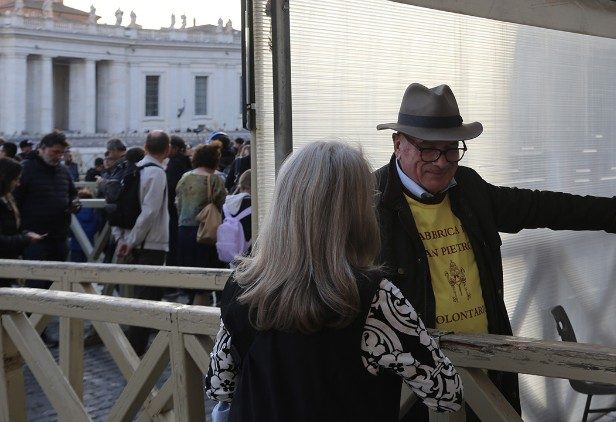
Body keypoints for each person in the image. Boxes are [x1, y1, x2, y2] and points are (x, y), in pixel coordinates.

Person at [373, 83, 616, 416]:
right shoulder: (368, 205)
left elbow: (542, 207)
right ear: (398, 144)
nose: (441, 162)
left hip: (487, 367)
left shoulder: (469, 189)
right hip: (415, 387)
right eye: (429, 149)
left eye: (451, 149)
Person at [205, 141, 463, 421]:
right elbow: (445, 392)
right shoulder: (373, 296)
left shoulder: (243, 285)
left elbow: (219, 386)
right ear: (354, 213)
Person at [113, 131, 171, 356]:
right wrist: (131, 241)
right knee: (147, 298)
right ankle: (135, 351)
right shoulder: (156, 174)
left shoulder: (133, 170)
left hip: (136, 241)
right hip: (151, 243)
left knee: (144, 295)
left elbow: (118, 209)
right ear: (166, 150)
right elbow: (150, 212)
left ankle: (140, 346)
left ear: (145, 147)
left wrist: (124, 239)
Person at [14, 131, 80, 288]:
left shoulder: (63, 170)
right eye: (55, 152)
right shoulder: (25, 169)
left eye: (62, 153)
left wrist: (75, 205)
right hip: (34, 238)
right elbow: (15, 202)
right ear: (42, 148)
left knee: (57, 286)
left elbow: (72, 195)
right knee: (35, 285)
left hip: (60, 237)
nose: (59, 156)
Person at [175, 143, 227, 305]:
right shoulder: (216, 179)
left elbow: (178, 202)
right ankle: (200, 321)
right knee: (205, 281)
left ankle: (191, 309)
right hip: (206, 232)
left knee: (192, 277)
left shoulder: (185, 177)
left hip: (184, 231)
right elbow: (221, 203)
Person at [0, 158, 45, 287]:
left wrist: (25, 234)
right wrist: (25, 239)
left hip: (8, 266)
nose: (18, 183)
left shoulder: (8, 198)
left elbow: (11, 230)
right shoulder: (6, 200)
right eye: (15, 179)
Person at [165, 135, 192, 266]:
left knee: (173, 248)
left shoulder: (174, 164)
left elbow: (170, 188)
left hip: (173, 212)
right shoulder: (186, 162)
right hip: (185, 212)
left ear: (174, 148)